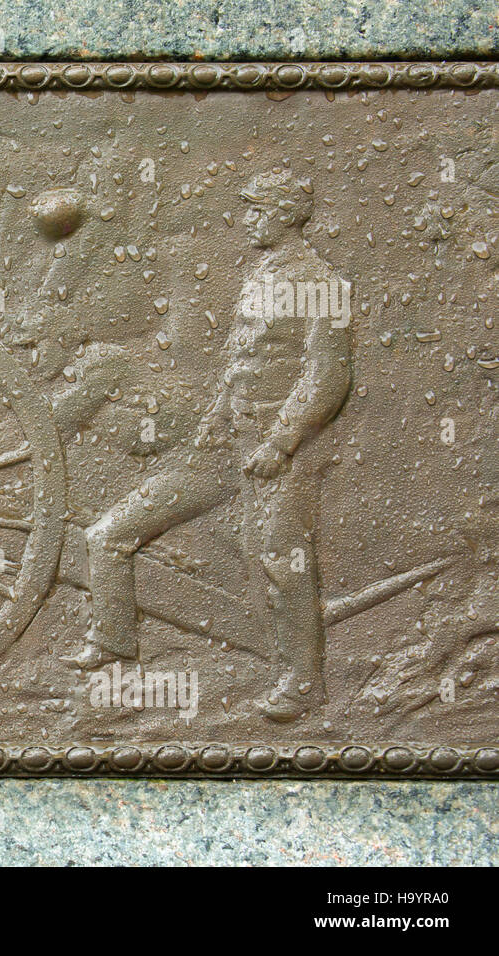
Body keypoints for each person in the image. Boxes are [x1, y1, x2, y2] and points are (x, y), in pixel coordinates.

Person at [79, 168, 351, 721]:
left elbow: (328, 378)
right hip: (228, 444)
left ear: (286, 214)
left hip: (282, 454)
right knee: (110, 532)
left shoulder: (327, 285)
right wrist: (212, 426)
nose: (246, 219)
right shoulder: (259, 275)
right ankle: (113, 642)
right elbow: (240, 366)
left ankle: (303, 683)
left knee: (281, 559)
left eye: (256, 209)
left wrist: (280, 442)